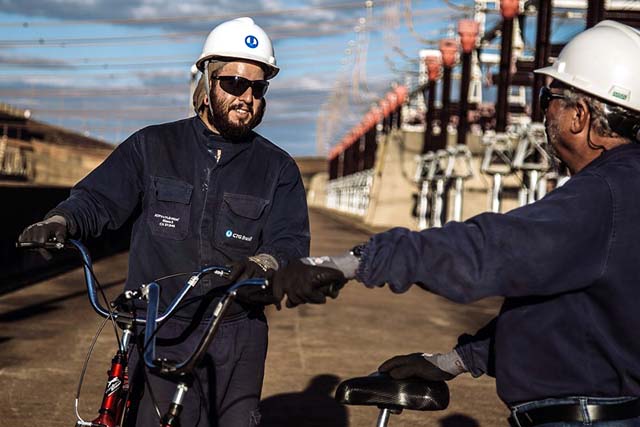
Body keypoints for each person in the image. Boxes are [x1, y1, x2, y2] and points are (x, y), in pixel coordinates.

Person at [272, 20, 640, 427]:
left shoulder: (603, 195)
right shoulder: (623, 190)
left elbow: (491, 250)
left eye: (548, 98)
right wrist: (454, 361)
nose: (544, 112)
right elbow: (567, 322)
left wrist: (348, 263)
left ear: (580, 115)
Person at [18, 17, 311, 427]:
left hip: (235, 334)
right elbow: (99, 200)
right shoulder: (152, 146)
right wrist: (62, 221)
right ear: (207, 84)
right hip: (159, 327)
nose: (246, 97)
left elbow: (290, 242)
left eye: (257, 88)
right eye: (233, 84)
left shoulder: (278, 169)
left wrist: (265, 264)